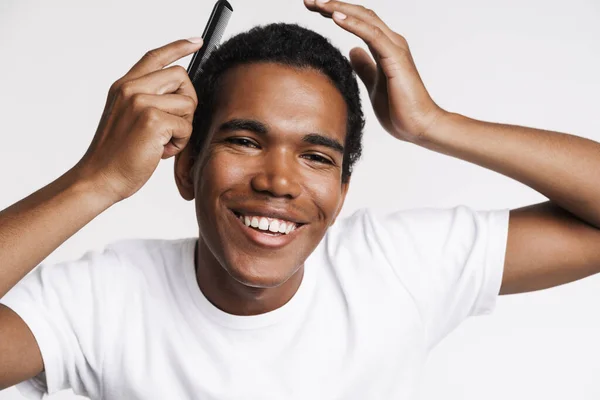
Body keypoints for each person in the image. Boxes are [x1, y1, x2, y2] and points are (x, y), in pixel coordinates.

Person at [1, 0, 599, 399]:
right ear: (186, 167)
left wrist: (433, 125)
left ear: (341, 193)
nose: (279, 182)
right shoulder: (102, 299)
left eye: (316, 156)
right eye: (244, 140)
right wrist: (96, 179)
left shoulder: (397, 266)